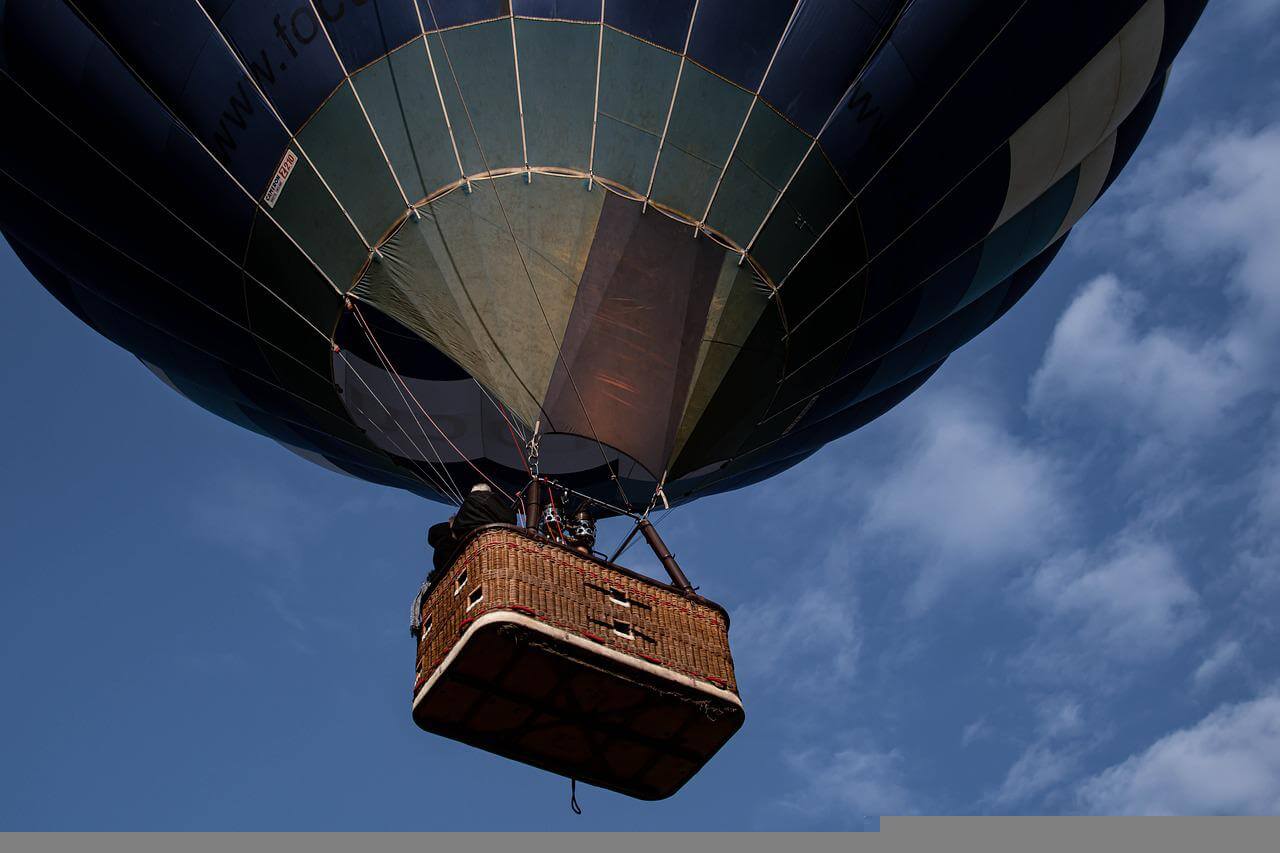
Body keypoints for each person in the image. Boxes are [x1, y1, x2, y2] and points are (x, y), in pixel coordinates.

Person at [427, 482, 516, 574]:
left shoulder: (446, 543)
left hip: (477, 558)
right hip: (503, 550)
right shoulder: (501, 507)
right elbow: (511, 520)